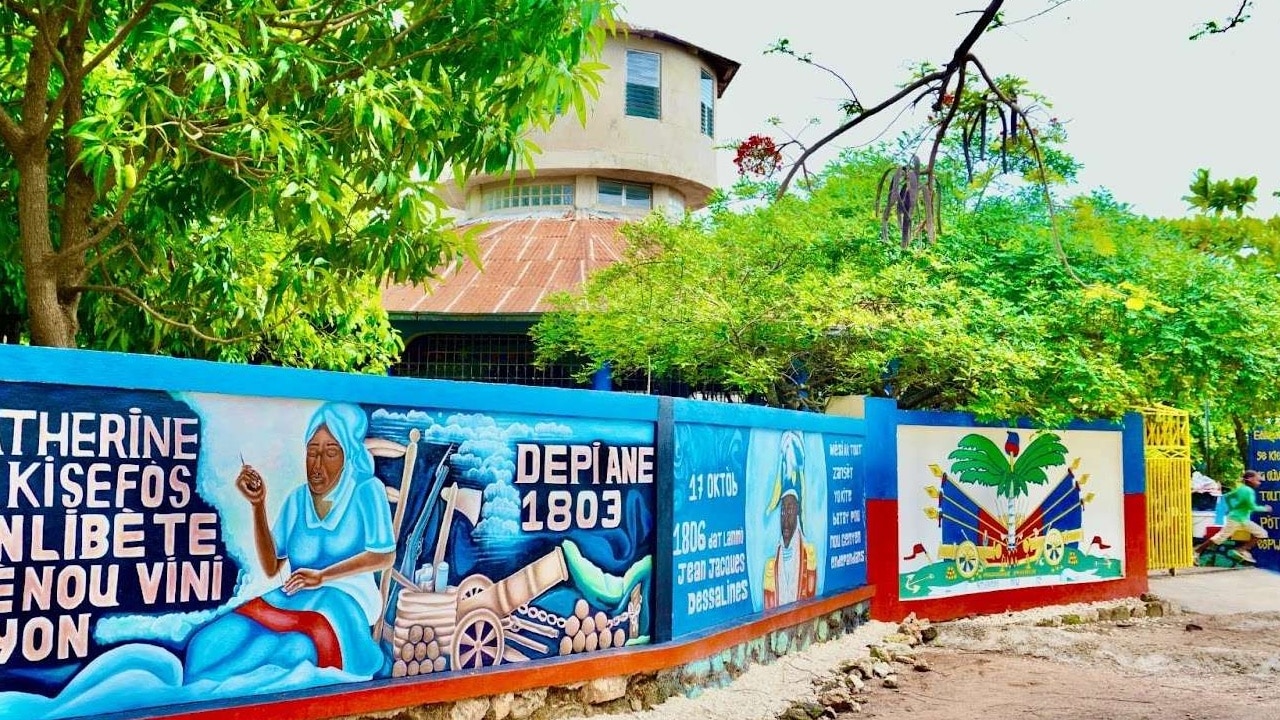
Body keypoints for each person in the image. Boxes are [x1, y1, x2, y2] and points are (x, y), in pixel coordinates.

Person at [184, 403, 397, 680]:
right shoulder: (297, 499)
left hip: (346, 598)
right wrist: (258, 505)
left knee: (291, 649)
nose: (317, 465)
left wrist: (322, 576)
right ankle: (197, 689)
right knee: (207, 644)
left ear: (349, 455)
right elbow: (272, 565)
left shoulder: (367, 490)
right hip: (297, 592)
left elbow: (384, 556)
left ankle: (217, 693)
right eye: (312, 451)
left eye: (331, 453)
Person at [763, 431, 818, 609]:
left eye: (790, 510)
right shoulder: (770, 568)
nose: (785, 518)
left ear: (797, 512)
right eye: (782, 511)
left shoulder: (808, 556)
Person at [1194, 470, 1272, 564]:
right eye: (1257, 480)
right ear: (1250, 479)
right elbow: (1251, 506)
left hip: (1242, 520)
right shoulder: (1248, 491)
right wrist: (1265, 509)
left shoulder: (1241, 489)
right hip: (1235, 520)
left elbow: (1227, 496)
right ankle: (1197, 551)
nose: (1259, 483)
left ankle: (1242, 549)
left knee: (1262, 533)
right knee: (1219, 538)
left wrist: (1231, 508)